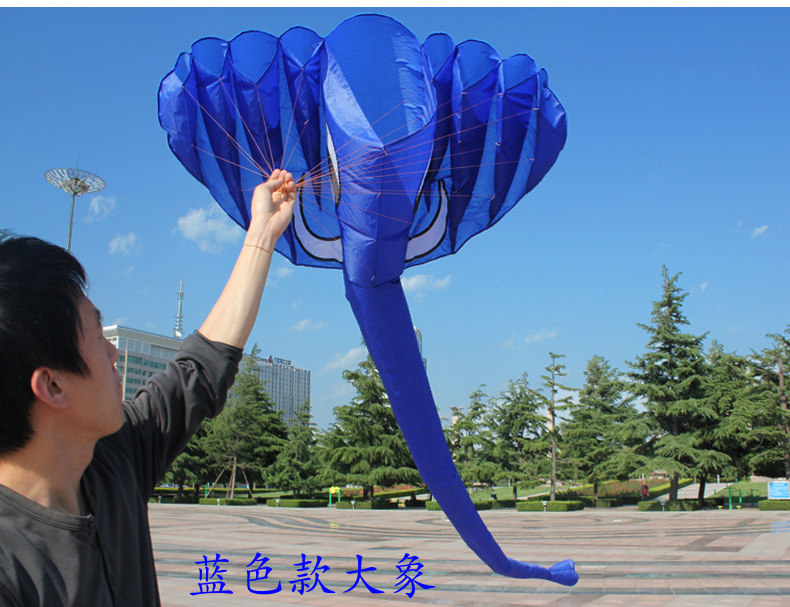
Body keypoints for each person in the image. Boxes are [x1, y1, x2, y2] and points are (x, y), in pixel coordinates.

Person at [0, 170, 296, 606]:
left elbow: (201, 368)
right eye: (98, 336)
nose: (114, 354)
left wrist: (262, 235)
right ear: (53, 385)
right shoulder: (11, 568)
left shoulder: (113, 460)